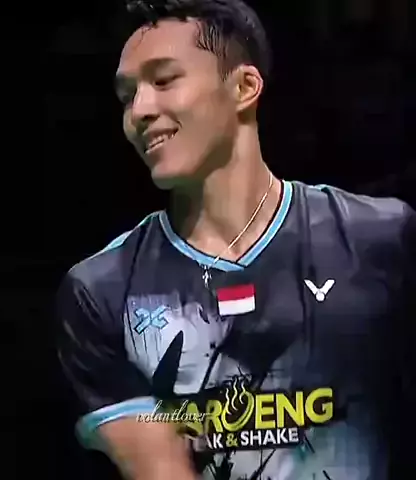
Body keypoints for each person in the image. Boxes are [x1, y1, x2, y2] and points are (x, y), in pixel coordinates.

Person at [56, 1, 416, 479]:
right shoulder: (102, 289)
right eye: (127, 96)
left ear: (244, 87)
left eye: (163, 80)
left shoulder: (381, 240)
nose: (139, 111)